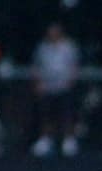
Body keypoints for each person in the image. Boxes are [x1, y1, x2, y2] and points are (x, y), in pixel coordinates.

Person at [31, 22, 81, 157]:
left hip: (64, 87)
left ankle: (68, 141)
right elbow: (36, 66)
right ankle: (46, 140)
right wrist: (38, 83)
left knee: (66, 114)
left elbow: (75, 65)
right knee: (46, 114)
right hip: (47, 88)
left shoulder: (69, 47)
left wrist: (71, 82)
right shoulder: (42, 48)